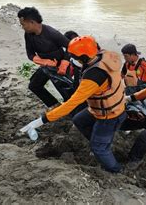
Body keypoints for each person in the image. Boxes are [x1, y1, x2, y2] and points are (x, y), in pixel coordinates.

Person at [20, 36, 127, 173]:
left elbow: (70, 104)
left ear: (83, 57)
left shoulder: (93, 77)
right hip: (104, 108)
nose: (73, 60)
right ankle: (98, 142)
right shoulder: (105, 55)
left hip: (110, 115)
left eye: (75, 57)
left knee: (98, 148)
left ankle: (116, 170)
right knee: (79, 120)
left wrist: (41, 120)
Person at [18, 7, 71, 108]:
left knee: (67, 93)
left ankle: (76, 115)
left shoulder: (52, 33)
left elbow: (71, 47)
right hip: (46, 66)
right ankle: (55, 106)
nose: (22, 27)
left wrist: (64, 64)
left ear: (32, 22)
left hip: (60, 67)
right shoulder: (28, 35)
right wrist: (44, 61)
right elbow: (30, 54)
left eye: (23, 24)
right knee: (34, 85)